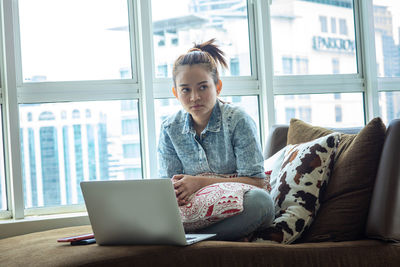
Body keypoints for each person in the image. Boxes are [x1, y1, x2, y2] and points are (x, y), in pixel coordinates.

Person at [157, 39, 274, 241]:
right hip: (192, 212)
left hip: (238, 207)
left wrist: (200, 183)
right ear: (176, 93)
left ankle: (192, 239)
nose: (194, 97)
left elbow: (257, 182)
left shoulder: (238, 120)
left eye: (203, 87)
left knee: (261, 203)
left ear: (217, 86)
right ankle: (196, 236)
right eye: (185, 89)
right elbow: (168, 190)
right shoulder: (169, 129)